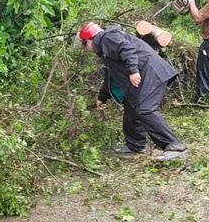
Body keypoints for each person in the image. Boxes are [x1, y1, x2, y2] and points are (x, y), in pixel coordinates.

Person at [79, 22, 187, 161]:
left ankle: (173, 145)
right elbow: (111, 74)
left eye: (84, 46)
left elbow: (127, 49)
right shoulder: (105, 47)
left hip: (151, 73)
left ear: (87, 41)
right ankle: (135, 145)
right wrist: (102, 97)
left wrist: (133, 70)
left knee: (145, 109)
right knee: (131, 105)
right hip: (145, 75)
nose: (86, 50)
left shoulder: (107, 38)